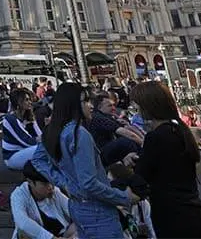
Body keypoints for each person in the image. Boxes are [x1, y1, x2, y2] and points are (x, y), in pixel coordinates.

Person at [32, 82, 139, 239]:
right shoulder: (79, 134)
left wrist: (65, 182)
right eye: (86, 101)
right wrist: (124, 197)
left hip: (78, 207)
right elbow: (89, 183)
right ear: (73, 105)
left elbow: (38, 160)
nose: (90, 106)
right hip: (97, 210)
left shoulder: (54, 131)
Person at [128, 81, 201, 239]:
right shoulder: (178, 130)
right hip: (192, 212)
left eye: (138, 107)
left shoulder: (156, 137)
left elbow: (140, 178)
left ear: (148, 107)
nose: (137, 111)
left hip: (172, 216)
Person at [10, 161, 75, 239]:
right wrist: (51, 238)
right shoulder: (19, 194)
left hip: (62, 235)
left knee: (80, 224)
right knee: (23, 233)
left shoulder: (55, 191)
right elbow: (22, 222)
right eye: (45, 184)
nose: (50, 187)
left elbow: (74, 211)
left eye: (51, 182)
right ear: (30, 182)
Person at [87, 91, 143, 166]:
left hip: (109, 150)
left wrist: (143, 138)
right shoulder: (98, 117)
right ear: (99, 107)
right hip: (101, 154)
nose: (114, 108)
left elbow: (128, 129)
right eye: (110, 106)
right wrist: (144, 144)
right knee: (126, 141)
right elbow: (128, 134)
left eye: (113, 105)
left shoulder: (109, 116)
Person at [2, 88, 42, 170]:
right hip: (12, 156)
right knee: (44, 150)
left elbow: (40, 135)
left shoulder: (28, 116)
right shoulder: (9, 119)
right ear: (18, 102)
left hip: (26, 150)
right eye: (26, 100)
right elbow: (27, 142)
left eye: (30, 99)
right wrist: (42, 139)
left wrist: (33, 122)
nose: (30, 102)